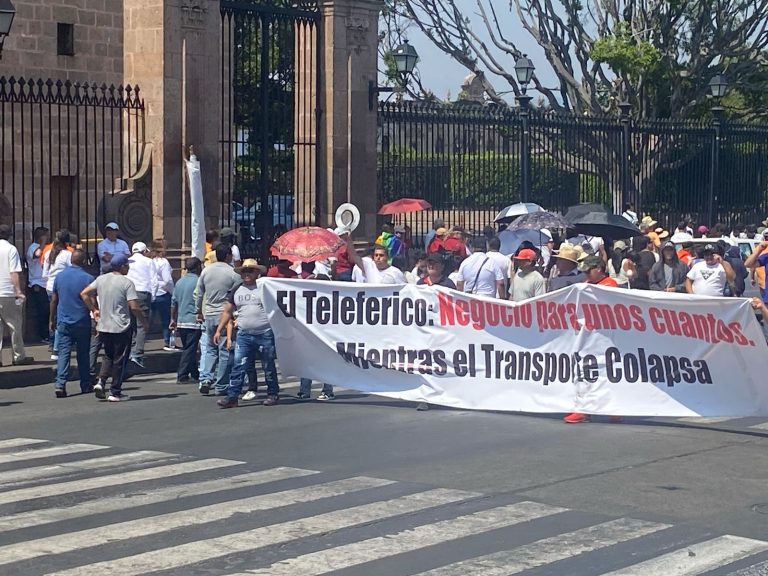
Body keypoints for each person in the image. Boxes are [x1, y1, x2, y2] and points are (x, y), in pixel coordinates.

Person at [81, 254, 148, 402]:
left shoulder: (101, 279)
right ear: (122, 267)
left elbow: (84, 293)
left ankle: (101, 381)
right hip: (121, 326)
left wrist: (94, 309)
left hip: (104, 325)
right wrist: (143, 321)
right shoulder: (127, 283)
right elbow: (134, 306)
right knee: (119, 359)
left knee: (108, 355)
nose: (128, 268)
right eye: (127, 265)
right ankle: (115, 391)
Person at [215, 259, 280, 408]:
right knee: (238, 365)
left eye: (250, 271)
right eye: (244, 271)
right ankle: (232, 397)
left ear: (257, 273)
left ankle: (273, 393)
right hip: (244, 334)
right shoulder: (236, 289)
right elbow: (227, 311)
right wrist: (219, 329)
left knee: (268, 365)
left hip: (264, 333)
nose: (247, 274)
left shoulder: (264, 288)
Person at [195, 243, 242, 395]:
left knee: (210, 348)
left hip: (209, 312)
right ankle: (221, 385)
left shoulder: (206, 271)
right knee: (224, 351)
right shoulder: (233, 273)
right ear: (228, 256)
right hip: (225, 315)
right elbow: (237, 295)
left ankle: (205, 379)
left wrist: (198, 310)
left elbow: (199, 293)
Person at [50, 249, 94, 397]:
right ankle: (85, 384)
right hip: (82, 321)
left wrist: (51, 318)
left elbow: (54, 300)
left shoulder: (60, 276)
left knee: (64, 353)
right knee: (83, 354)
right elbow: (92, 301)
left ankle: (60, 384)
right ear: (83, 261)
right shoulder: (88, 278)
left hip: (64, 320)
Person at [0, 225, 33, 366]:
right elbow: (13, 272)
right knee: (14, 325)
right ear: (10, 235)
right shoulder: (11, 249)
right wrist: (18, 291)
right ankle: (18, 356)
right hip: (7, 291)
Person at [170, 257, 203, 384]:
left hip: (181, 320)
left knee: (189, 347)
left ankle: (194, 373)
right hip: (194, 320)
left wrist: (173, 319)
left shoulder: (180, 282)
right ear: (198, 267)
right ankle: (182, 374)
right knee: (190, 349)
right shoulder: (199, 281)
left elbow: (174, 303)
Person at [126, 242, 158, 368]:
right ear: (144, 251)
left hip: (128, 294)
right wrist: (153, 296)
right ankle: (137, 353)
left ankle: (130, 350)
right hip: (143, 293)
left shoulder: (128, 261)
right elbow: (154, 281)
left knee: (131, 323)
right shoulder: (149, 262)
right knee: (142, 324)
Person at [43, 230, 74, 360]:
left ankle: (52, 343)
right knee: (61, 317)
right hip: (62, 288)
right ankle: (57, 348)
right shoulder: (67, 255)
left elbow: (44, 274)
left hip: (50, 287)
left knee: (53, 316)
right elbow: (72, 271)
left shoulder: (48, 253)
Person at [26, 226, 50, 343]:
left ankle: (47, 333)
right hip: (37, 283)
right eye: (46, 235)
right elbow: (37, 254)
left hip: (45, 283)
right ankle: (43, 335)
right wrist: (43, 243)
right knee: (42, 310)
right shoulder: (33, 247)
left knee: (47, 309)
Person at [151, 239, 175, 351]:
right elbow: (167, 280)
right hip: (163, 293)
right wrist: (172, 291)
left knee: (148, 319)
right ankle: (167, 342)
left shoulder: (151, 261)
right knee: (166, 319)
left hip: (152, 293)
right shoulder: (164, 262)